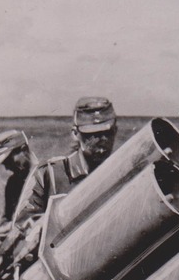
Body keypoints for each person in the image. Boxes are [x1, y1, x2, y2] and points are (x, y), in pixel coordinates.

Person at [14, 96, 118, 226]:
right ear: (75, 134)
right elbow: (21, 229)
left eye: (107, 133)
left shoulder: (124, 171)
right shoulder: (49, 174)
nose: (102, 140)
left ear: (116, 130)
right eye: (92, 134)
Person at [0, 128, 35, 243]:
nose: (7, 168)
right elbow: (6, 219)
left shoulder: (46, 175)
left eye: (9, 161)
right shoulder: (12, 184)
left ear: (23, 150)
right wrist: (5, 228)